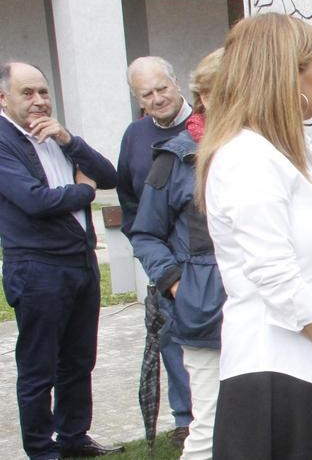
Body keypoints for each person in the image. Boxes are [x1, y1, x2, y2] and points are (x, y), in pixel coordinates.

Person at [198, 12, 312, 459]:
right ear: (287, 77)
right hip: (278, 377)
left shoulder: (303, 155)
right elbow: (278, 279)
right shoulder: (245, 159)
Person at [0, 62, 122, 459]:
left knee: (78, 360)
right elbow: (34, 200)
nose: (39, 101)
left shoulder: (53, 134)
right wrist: (83, 193)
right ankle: (41, 449)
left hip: (79, 263)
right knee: (39, 368)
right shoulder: (4, 141)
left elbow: (108, 175)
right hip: (37, 268)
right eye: (27, 93)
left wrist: (70, 140)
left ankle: (74, 438)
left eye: (43, 92)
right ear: (4, 98)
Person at [129, 49, 226, 460]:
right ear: (205, 96)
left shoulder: (265, 149)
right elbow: (145, 233)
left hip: (262, 310)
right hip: (204, 310)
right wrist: (175, 282)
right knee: (207, 428)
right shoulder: (174, 157)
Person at [119, 56, 195, 446]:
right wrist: (150, 256)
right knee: (171, 341)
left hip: (197, 257)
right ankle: (185, 421)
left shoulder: (203, 127)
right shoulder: (134, 135)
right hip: (161, 258)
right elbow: (129, 199)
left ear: (176, 82)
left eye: (162, 88)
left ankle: (211, 418)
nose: (157, 98)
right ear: (139, 99)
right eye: (146, 94)